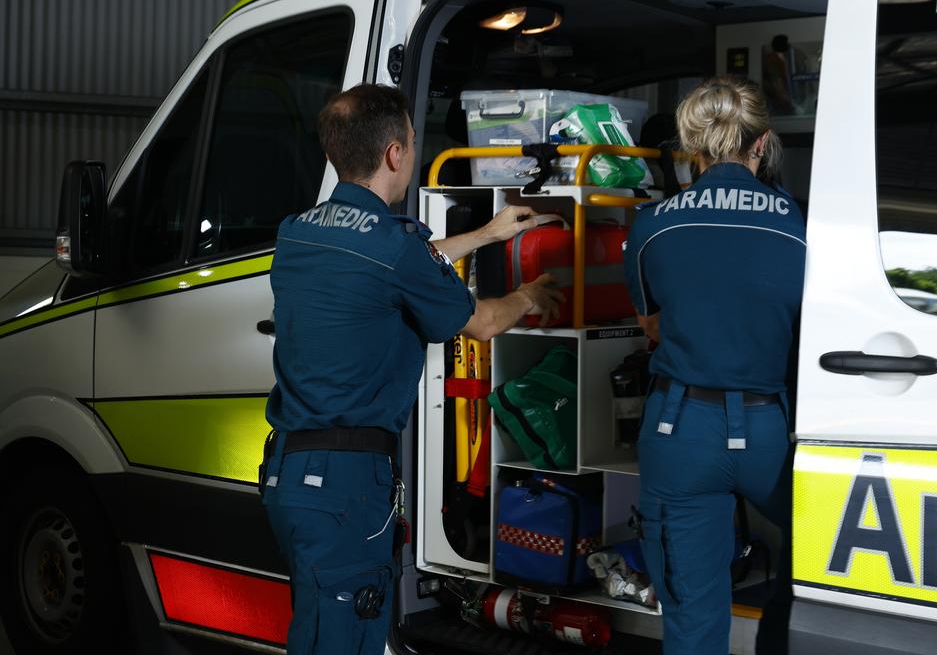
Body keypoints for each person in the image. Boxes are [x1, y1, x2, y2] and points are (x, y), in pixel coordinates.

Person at [258, 83, 562, 655]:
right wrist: (529, 295)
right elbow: (482, 323)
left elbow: (388, 264)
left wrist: (486, 235)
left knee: (327, 626)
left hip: (290, 476)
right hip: (347, 487)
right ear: (396, 154)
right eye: (414, 142)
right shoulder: (395, 248)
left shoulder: (297, 234)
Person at [623, 76, 805, 655]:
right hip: (771, 430)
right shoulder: (804, 228)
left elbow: (651, 324)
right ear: (763, 142)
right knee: (818, 579)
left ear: (692, 148)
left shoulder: (654, 225)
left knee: (693, 620)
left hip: (683, 431)